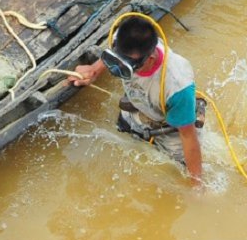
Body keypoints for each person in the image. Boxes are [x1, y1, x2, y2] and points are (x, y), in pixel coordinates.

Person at [68, 16, 203, 185]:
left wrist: (197, 185)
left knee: (176, 173)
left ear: (150, 59)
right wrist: (94, 70)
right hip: (137, 112)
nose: (117, 70)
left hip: (170, 131)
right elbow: (112, 56)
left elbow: (188, 136)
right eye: (116, 60)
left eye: (127, 67)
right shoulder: (123, 37)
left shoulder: (177, 86)